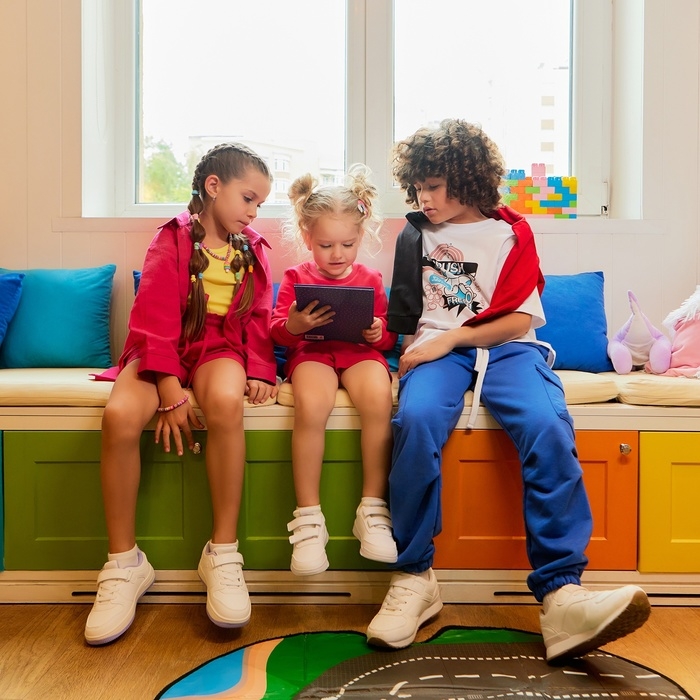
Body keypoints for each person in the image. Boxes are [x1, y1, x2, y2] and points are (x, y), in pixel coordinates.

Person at [366, 119, 651, 662]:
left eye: (435, 187)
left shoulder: (511, 233)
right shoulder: (414, 235)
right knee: (416, 420)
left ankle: (562, 595)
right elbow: (404, 317)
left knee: (547, 425)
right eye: (418, 188)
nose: (425, 199)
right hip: (437, 353)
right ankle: (414, 577)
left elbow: (520, 319)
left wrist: (454, 336)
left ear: (467, 180)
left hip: (508, 349)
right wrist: (403, 352)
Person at [84, 143, 278, 645]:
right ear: (214, 186)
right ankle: (125, 563)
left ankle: (223, 553)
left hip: (219, 348)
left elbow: (259, 316)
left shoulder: (252, 249)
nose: (254, 212)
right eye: (248, 199)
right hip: (160, 348)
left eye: (260, 204)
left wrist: (261, 369)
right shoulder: (169, 239)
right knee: (120, 416)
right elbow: (151, 316)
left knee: (227, 404)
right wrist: (170, 389)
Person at [270, 164, 398, 576]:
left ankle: (372, 509)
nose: (337, 254)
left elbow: (387, 337)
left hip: (359, 354)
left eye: (348, 243)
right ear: (307, 237)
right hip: (313, 354)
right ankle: (309, 519)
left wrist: (378, 332)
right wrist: (295, 326)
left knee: (379, 400)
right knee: (311, 405)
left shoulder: (370, 277)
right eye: (326, 245)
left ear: (361, 236)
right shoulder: (295, 276)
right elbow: (277, 331)